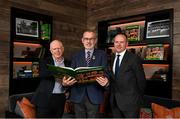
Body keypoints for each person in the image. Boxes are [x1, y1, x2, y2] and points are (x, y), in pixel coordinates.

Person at [63, 30, 109, 118]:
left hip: (94, 95)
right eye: (86, 39)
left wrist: (106, 81)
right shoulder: (75, 55)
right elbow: (71, 73)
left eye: (91, 39)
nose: (88, 41)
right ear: (82, 40)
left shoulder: (102, 55)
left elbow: (106, 72)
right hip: (78, 95)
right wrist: (66, 83)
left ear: (95, 41)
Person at [31, 39, 76, 118]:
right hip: (44, 98)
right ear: (51, 50)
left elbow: (70, 81)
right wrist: (60, 72)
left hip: (60, 98)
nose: (57, 51)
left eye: (59, 48)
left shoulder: (69, 63)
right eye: (54, 49)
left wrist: (66, 85)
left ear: (63, 49)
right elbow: (42, 74)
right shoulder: (44, 61)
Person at [108, 33, 146, 118]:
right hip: (115, 102)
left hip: (131, 103)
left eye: (121, 42)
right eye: (116, 42)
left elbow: (141, 81)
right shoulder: (112, 57)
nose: (118, 44)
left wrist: (137, 100)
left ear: (127, 44)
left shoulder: (134, 58)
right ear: (113, 43)